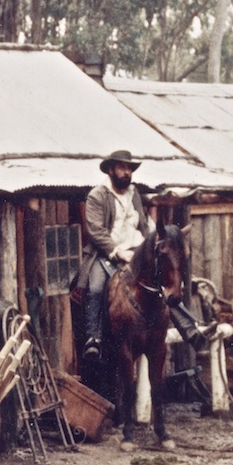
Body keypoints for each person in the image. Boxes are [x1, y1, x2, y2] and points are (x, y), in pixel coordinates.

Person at [77, 149, 149, 362]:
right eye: (122, 168)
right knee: (96, 287)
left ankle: (186, 326)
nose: (126, 172)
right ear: (111, 170)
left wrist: (148, 245)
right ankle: (93, 338)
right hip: (106, 254)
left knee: (159, 279)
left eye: (129, 168)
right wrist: (119, 252)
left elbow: (143, 224)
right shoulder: (97, 195)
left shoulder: (134, 194)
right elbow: (96, 231)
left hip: (135, 251)